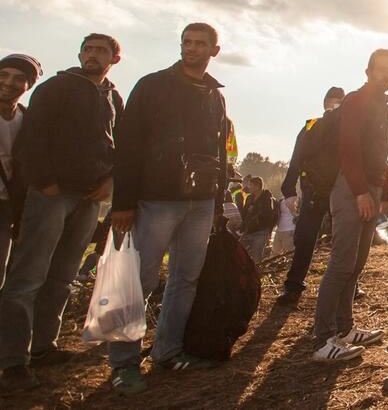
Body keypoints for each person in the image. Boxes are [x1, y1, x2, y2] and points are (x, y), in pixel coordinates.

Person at [108, 23, 231, 394]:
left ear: (215, 50)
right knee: (141, 280)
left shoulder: (215, 95)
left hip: (201, 202)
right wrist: (123, 202)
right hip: (157, 198)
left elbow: (220, 152)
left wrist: (219, 203)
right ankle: (123, 363)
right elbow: (127, 146)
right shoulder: (152, 86)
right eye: (186, 43)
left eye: (199, 44)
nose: (190, 49)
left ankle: (168, 350)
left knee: (185, 279)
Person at [0, 36, 122, 393]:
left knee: (63, 274)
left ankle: (42, 348)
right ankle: (12, 362)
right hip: (52, 194)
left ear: (115, 57)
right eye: (88, 50)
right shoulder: (56, 87)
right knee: (28, 276)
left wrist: (111, 181)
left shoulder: (113, 96)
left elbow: (122, 142)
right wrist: (47, 184)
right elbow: (32, 139)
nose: (92, 56)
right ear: (80, 54)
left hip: (91, 198)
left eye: (100, 51)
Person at [310, 50, 388, 362]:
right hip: (350, 187)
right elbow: (348, 149)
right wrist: (360, 192)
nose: (385, 74)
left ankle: (345, 329)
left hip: (371, 187)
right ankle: (322, 339)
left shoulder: (383, 109)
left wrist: (383, 194)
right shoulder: (356, 101)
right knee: (341, 263)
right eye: (380, 69)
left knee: (356, 264)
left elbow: (382, 155)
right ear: (368, 70)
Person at [275, 87, 344, 305]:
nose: (334, 106)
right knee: (305, 239)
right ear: (324, 103)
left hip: (339, 190)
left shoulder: (347, 128)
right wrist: (288, 191)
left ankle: (348, 285)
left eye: (338, 102)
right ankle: (293, 285)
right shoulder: (311, 125)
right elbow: (296, 157)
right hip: (313, 190)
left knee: (343, 239)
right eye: (331, 102)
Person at [0, 53, 40, 293]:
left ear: (28, 86)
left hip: (5, 208)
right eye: (3, 75)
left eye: (18, 78)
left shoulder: (26, 120)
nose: (8, 82)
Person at [238, 176, 275, 263]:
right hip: (248, 230)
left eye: (251, 185)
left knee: (256, 257)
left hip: (261, 231)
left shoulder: (267, 198)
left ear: (257, 186)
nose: (249, 187)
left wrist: (269, 231)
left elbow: (270, 215)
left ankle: (255, 274)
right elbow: (244, 214)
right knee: (239, 251)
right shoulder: (249, 198)